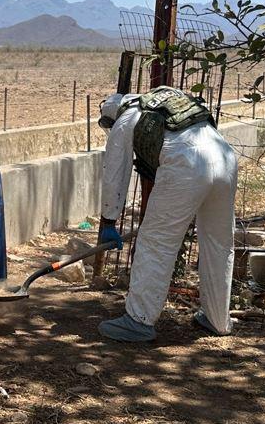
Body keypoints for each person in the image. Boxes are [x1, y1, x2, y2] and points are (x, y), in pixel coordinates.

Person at [95, 86, 238, 342]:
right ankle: (218, 319)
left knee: (155, 242)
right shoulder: (163, 99)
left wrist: (109, 219)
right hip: (224, 157)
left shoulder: (126, 117)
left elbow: (114, 174)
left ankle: (138, 320)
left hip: (187, 164)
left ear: (112, 115)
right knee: (219, 242)